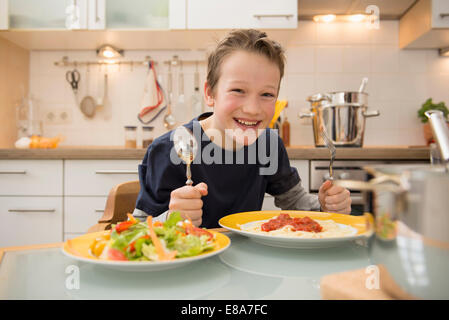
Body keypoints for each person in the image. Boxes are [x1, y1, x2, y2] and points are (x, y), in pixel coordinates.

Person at [133, 29, 351, 228]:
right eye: (238, 90)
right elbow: (138, 228)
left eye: (267, 94)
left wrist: (325, 205)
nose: (253, 109)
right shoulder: (170, 148)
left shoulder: (269, 145)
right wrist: (171, 219)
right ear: (210, 94)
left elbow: (296, 202)